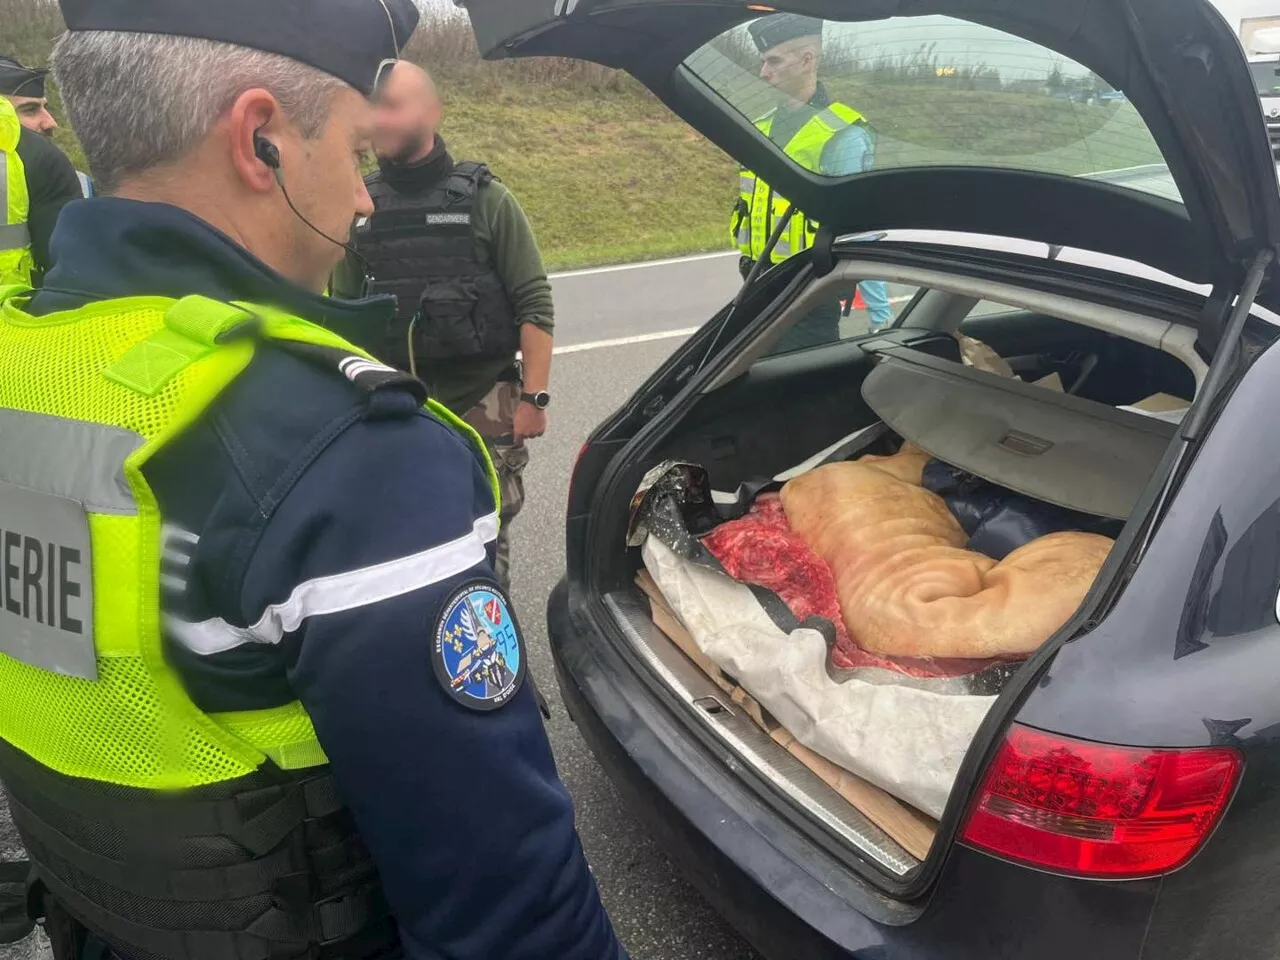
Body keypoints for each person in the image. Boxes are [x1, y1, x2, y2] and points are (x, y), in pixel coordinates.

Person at [0, 3, 626, 960]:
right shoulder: (349, 453)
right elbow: (503, 902)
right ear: (262, 139)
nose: (366, 197)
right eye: (347, 142)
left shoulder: (24, 366)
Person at [331, 62, 554, 590]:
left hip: (483, 398)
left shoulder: (486, 200)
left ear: (432, 112)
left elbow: (533, 300)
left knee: (486, 532)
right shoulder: (359, 203)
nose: (377, 118)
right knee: (402, 534)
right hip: (392, 402)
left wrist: (534, 399)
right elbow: (341, 308)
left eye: (392, 104)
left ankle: (489, 641)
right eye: (372, 106)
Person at [734, 14, 895, 349]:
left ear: (807, 61)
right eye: (763, 62)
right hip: (756, 286)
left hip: (807, 295)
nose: (764, 72)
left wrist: (881, 317)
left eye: (773, 61)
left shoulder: (843, 134)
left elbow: (859, 230)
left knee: (798, 392)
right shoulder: (759, 128)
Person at [0, 61, 82, 286]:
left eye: (45, 108)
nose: (50, 123)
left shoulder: (77, 179)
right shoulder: (46, 163)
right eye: (29, 110)